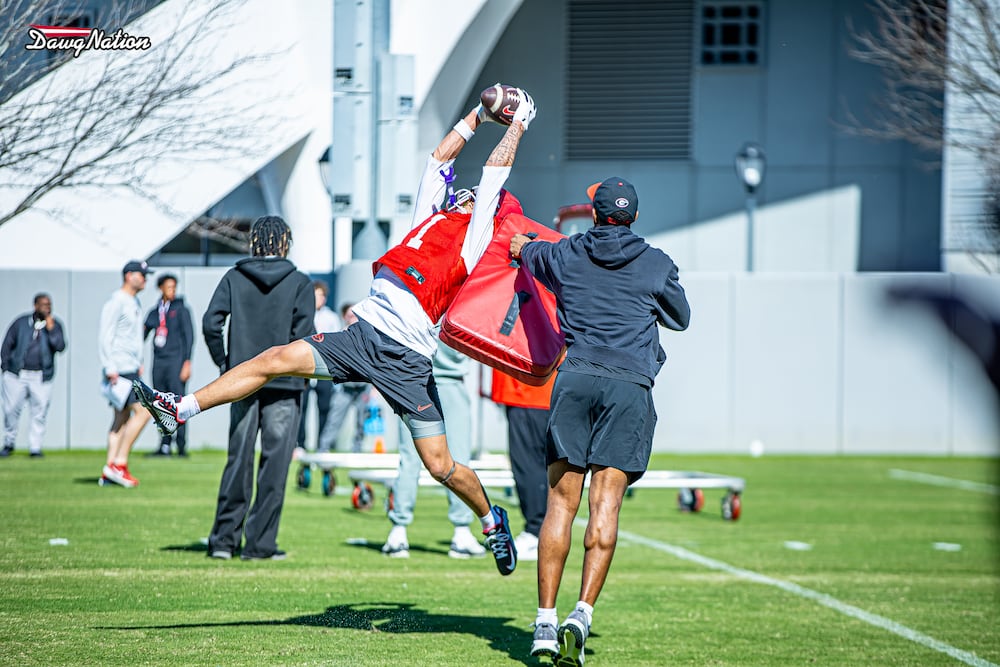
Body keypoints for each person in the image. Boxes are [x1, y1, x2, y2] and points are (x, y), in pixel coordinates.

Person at [134, 85, 537, 576]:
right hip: (362, 338)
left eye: (482, 198)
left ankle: (490, 519)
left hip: (406, 361)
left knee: (440, 465)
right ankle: (180, 409)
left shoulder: (475, 239)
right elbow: (439, 157)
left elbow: (494, 175)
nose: (470, 192)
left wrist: (517, 124)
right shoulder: (431, 216)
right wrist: (479, 112)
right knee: (273, 359)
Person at [509, 177, 691, 665]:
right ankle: (581, 615)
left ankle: (545, 623)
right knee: (605, 504)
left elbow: (521, 250)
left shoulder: (565, 253)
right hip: (629, 387)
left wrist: (522, 240)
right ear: (633, 217)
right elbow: (681, 317)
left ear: (595, 214)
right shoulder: (656, 262)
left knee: (560, 506)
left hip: (576, 379)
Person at [200, 215, 315, 561]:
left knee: (238, 460)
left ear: (255, 242)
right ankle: (260, 546)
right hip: (286, 383)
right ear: (284, 242)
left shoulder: (234, 277)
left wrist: (226, 364)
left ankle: (223, 542)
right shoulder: (300, 282)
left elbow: (211, 323)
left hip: (242, 381)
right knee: (275, 465)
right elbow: (304, 335)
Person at [381, 340, 486, 560]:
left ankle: (398, 532)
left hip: (413, 380)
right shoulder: (457, 304)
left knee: (411, 459)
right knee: (456, 459)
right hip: (436, 381)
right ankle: (460, 532)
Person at [490, 368, 557, 562]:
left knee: (528, 465)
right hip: (540, 388)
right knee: (543, 464)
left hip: (527, 388)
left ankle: (536, 532)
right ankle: (544, 531)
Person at [98, 260, 155, 487]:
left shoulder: (134, 302)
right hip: (119, 370)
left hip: (130, 367)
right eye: (141, 274)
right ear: (129, 275)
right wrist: (109, 367)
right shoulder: (117, 301)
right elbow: (105, 335)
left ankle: (109, 470)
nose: (145, 279)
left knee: (120, 418)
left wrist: (138, 361)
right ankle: (118, 464)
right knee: (144, 411)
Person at [1, 293, 67, 457]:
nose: (47, 308)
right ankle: (9, 443)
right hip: (17, 374)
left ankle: (35, 448)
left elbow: (60, 346)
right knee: (11, 410)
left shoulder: (54, 324)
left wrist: (51, 329)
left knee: (39, 411)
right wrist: (6, 368)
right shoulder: (21, 323)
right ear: (35, 305)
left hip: (41, 376)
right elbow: (7, 345)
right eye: (43, 304)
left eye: (49, 304)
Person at [143, 273, 194, 456]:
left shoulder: (181, 309)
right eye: (169, 287)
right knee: (160, 405)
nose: (172, 290)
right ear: (161, 288)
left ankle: (181, 445)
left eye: (174, 287)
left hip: (176, 362)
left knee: (179, 404)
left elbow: (189, 337)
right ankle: (164, 445)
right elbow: (143, 332)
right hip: (159, 363)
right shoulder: (156, 310)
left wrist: (187, 362)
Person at [315, 302, 369, 453]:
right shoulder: (340, 335)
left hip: (363, 387)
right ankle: (323, 451)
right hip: (345, 387)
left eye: (355, 315)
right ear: (344, 317)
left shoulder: (367, 334)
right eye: (350, 315)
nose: (353, 318)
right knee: (334, 421)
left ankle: (357, 454)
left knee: (361, 423)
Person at [297, 280, 341, 451]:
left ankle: (323, 445)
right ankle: (300, 444)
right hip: (305, 368)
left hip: (325, 368)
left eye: (321, 296)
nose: (318, 299)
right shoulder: (304, 315)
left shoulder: (331, 318)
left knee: (324, 408)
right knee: (303, 407)